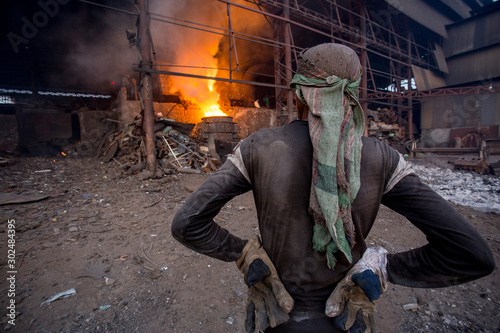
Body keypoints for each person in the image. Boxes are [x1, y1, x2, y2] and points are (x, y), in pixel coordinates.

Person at [171, 43, 495, 332]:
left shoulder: (258, 148)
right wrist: (382, 267)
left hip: (277, 316)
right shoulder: (382, 158)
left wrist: (245, 254)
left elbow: (187, 224)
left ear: (298, 93)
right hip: (346, 321)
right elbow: (471, 254)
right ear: (353, 94)